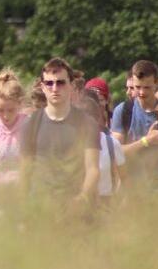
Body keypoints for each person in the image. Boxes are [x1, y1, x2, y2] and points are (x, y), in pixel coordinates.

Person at [19, 58, 101, 217]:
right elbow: (24, 171)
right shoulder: (30, 124)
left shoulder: (87, 123)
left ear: (71, 85)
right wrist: (23, 213)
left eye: (60, 83)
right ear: (42, 87)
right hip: (40, 210)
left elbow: (93, 169)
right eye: (49, 83)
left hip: (76, 211)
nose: (55, 88)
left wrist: (83, 197)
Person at [111, 61, 158, 194]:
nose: (142, 92)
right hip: (133, 193)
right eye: (137, 87)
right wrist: (147, 141)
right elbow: (116, 154)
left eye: (147, 87)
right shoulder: (123, 111)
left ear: (156, 83)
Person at [0, 69, 28, 214]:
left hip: (23, 201)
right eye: (0, 110)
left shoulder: (28, 128)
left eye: (11, 110)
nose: (5, 115)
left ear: (19, 105)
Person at [75, 90, 126, 205]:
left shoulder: (111, 143)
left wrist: (117, 199)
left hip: (105, 204)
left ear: (98, 118)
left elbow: (124, 178)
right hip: (77, 204)